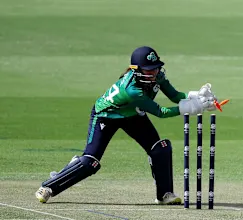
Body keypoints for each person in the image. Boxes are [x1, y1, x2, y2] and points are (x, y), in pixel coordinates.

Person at [35, 46, 219, 205]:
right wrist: (190, 108)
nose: (153, 73)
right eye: (148, 70)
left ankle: (165, 195)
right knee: (91, 162)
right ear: (136, 69)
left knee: (160, 148)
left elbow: (174, 95)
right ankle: (49, 186)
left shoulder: (157, 76)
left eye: (155, 68)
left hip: (133, 114)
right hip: (106, 116)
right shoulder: (131, 91)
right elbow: (161, 112)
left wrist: (198, 98)